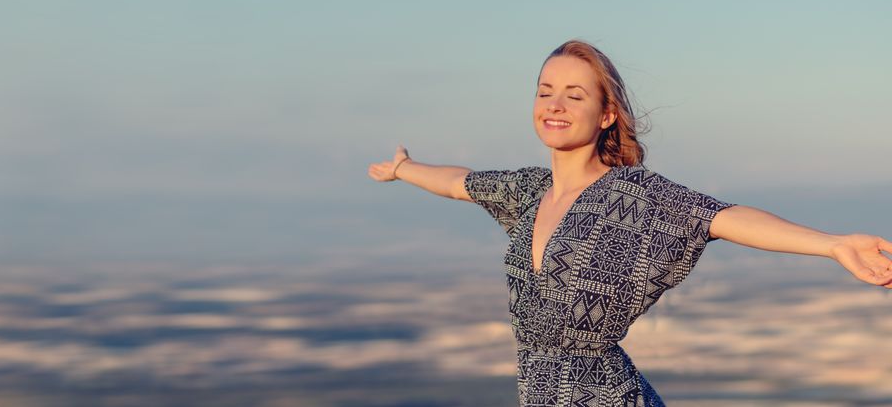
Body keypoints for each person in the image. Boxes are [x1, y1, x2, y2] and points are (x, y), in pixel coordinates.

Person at [366, 39, 892, 406]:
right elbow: (462, 182)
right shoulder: (528, 192)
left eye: (575, 95)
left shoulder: (634, 195)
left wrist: (832, 244)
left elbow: (722, 217)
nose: (554, 104)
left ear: (606, 114)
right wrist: (405, 169)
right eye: (545, 90)